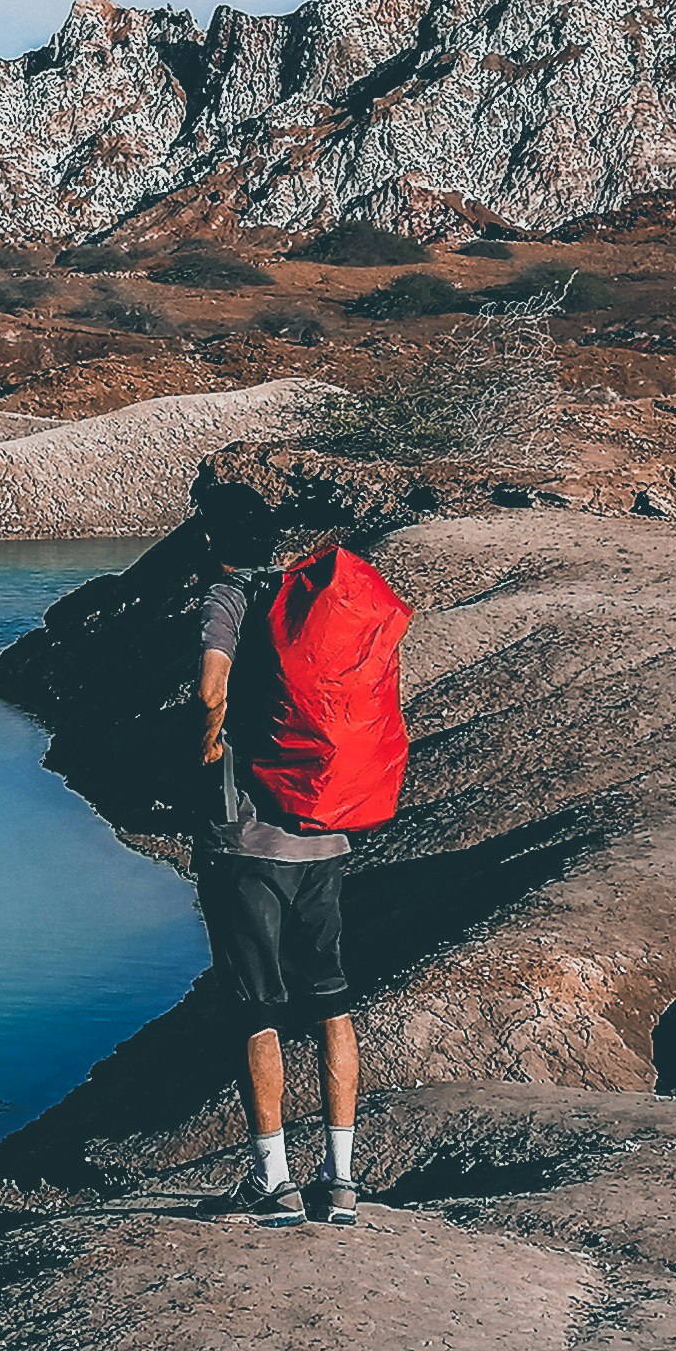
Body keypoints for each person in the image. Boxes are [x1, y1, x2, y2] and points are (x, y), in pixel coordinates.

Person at [190, 472, 415, 1228]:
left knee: (255, 1009)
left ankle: (274, 1181)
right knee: (331, 1003)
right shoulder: (299, 603)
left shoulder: (228, 601)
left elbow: (208, 688)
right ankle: (343, 1181)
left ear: (212, 540)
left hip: (247, 843)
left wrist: (207, 744)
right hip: (326, 836)